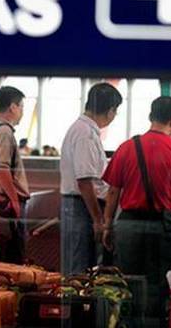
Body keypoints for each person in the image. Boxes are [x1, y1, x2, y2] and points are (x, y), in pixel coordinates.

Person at [102, 96, 171, 326]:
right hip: (163, 226)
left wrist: (107, 225)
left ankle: (129, 324)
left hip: (129, 225)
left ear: (151, 115)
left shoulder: (127, 147)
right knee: (158, 284)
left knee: (128, 282)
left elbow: (113, 191)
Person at [60, 82, 122, 275]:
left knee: (83, 265)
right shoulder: (85, 134)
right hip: (82, 206)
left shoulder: (85, 130)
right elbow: (84, 182)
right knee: (79, 269)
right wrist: (98, 220)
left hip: (83, 205)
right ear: (110, 111)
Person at [0, 86, 31, 263]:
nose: (22, 112)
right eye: (21, 107)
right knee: (15, 255)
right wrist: (14, 200)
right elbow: (1, 167)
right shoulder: (3, 131)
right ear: (13, 107)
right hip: (6, 203)